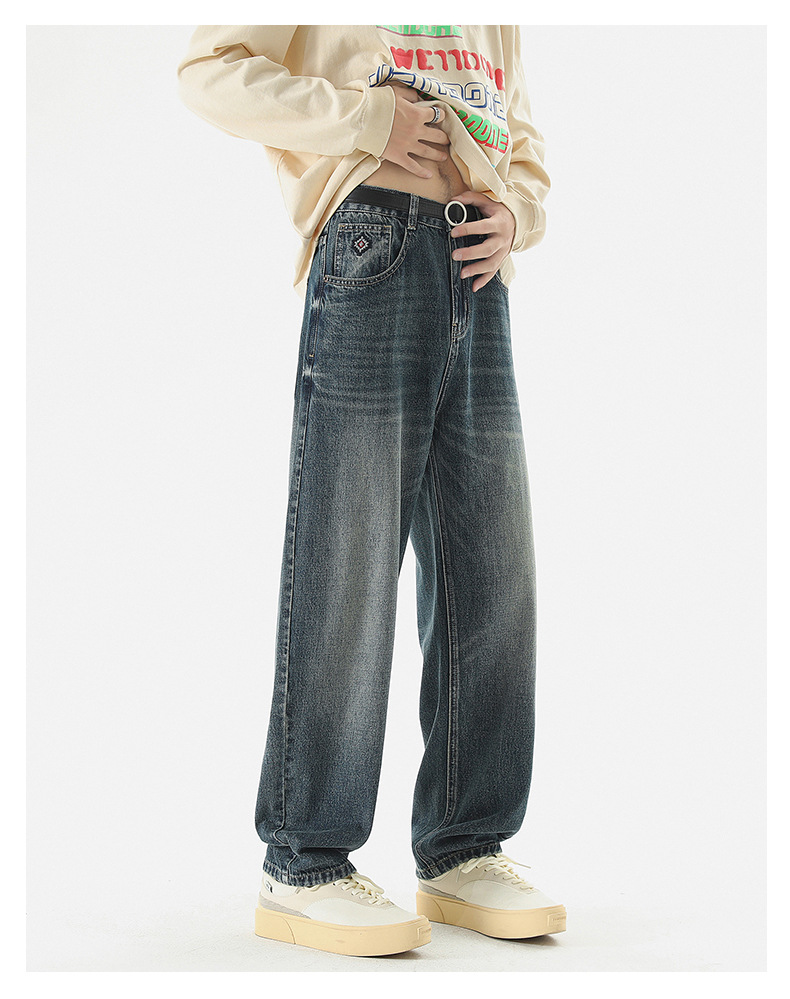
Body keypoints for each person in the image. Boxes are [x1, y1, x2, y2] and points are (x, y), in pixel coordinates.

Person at [177, 24, 565, 958]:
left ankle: (465, 847)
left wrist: (518, 209)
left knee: (493, 573)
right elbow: (207, 74)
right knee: (347, 564)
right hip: (373, 238)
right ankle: (304, 859)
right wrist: (363, 119)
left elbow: (516, 122)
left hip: (478, 271)